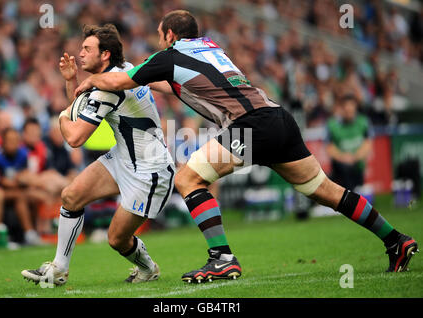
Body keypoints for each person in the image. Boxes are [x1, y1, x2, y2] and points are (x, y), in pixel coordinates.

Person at [75, 10, 418, 282]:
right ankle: (396, 240)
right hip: (277, 118)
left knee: (188, 179)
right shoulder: (212, 48)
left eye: (160, 35)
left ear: (169, 35)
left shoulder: (171, 54)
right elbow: (176, 85)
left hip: (251, 125)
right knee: (323, 190)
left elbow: (120, 79)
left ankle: (222, 259)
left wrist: (89, 80)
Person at [21, 24, 175, 286]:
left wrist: (59, 116)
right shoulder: (123, 71)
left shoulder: (109, 87)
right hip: (123, 158)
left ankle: (148, 267)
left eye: (87, 49)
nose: (80, 53)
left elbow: (74, 137)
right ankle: (58, 268)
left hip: (149, 172)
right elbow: (85, 105)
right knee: (71, 196)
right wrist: (72, 82)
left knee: (116, 239)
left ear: (105, 55)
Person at [0, 128, 41, 245]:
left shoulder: (23, 154)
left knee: (35, 195)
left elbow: (27, 174)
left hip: (14, 189)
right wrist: (21, 181)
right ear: (3, 141)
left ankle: (37, 232)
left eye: (15, 140)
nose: (13, 144)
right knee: (17, 195)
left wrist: (26, 180)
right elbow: (1, 182)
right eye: (10, 140)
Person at [326, 95, 372, 191]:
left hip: (357, 166)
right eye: (346, 109)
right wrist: (344, 158)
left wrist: (354, 157)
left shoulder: (363, 122)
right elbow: (330, 148)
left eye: (351, 108)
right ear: (341, 109)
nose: (348, 111)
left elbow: (367, 144)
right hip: (340, 168)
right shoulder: (333, 125)